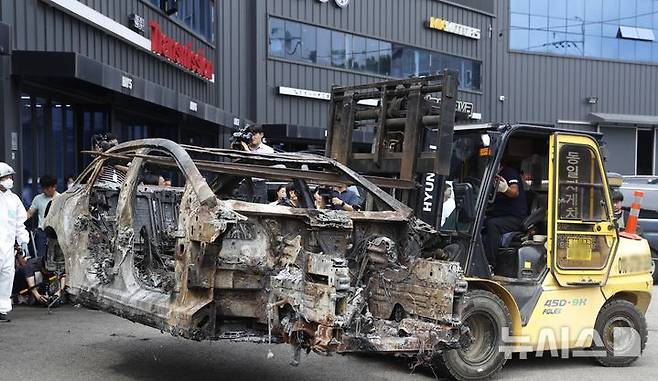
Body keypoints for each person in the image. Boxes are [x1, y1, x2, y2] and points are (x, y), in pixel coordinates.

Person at [0, 162, 30, 322]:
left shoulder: (14, 199)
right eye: (5, 177)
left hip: (7, 248)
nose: (9, 180)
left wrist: (23, 241)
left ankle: (2, 310)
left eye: (10, 176)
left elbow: (20, 224)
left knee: (6, 276)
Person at [485, 163, 527, 272]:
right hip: (501, 215)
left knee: (492, 224)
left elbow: (514, 192)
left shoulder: (508, 172)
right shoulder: (490, 176)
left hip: (516, 217)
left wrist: (505, 189)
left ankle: (490, 264)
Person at [236, 125, 274, 203]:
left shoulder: (268, 150)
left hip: (259, 185)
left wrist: (247, 150)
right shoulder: (243, 148)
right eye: (250, 135)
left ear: (261, 135)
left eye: (254, 134)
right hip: (244, 184)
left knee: (259, 211)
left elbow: (258, 163)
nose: (252, 137)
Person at [26, 175, 59, 258]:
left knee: (57, 257)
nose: (45, 191)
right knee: (41, 257)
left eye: (47, 189)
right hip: (42, 233)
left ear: (54, 187)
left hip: (57, 233)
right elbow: (30, 213)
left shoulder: (60, 199)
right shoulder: (38, 198)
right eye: (43, 188)